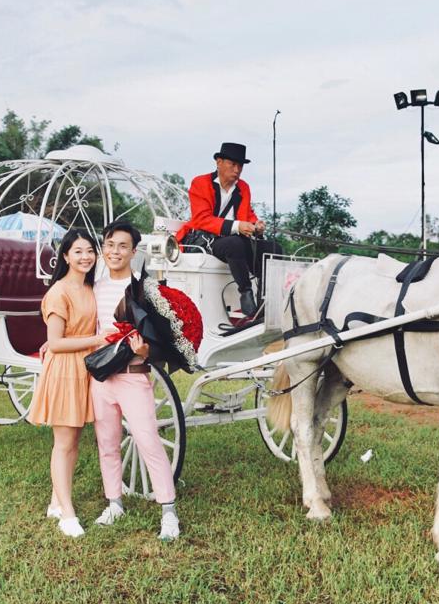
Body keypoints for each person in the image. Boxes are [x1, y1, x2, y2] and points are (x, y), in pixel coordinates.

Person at [89, 220, 180, 540]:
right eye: (110, 245)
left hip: (134, 377)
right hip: (101, 379)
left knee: (148, 442)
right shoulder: (94, 289)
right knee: (107, 444)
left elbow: (162, 343)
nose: (115, 251)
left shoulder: (145, 291)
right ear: (103, 249)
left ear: (133, 251)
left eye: (122, 246)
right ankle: (114, 503)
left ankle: (168, 511)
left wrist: (146, 349)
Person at [27, 229, 104, 538]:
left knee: (74, 442)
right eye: (78, 251)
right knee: (64, 442)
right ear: (65, 256)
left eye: (89, 251)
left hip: (85, 367)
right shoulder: (59, 292)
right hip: (65, 370)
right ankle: (67, 514)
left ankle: (56, 501)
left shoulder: (91, 287)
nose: (85, 256)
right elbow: (55, 343)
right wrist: (98, 340)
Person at [175, 142, 282, 317]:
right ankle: (245, 293)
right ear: (219, 162)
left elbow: (248, 214)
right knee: (235, 243)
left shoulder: (243, 187)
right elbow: (201, 219)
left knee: (274, 249)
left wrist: (256, 225)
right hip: (207, 240)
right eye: (233, 164)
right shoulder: (200, 183)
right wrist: (238, 226)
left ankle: (264, 299)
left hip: (237, 239)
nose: (237, 169)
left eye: (240, 165)